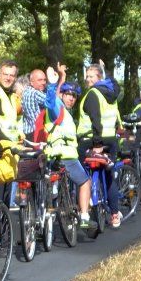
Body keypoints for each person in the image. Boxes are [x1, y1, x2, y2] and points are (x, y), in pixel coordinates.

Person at [44, 65, 93, 227]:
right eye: (68, 95)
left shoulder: (64, 109)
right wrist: (51, 85)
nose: (71, 98)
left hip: (54, 155)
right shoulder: (58, 107)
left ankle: (52, 213)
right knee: (85, 182)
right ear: (62, 95)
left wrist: (61, 77)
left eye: (74, 96)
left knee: (54, 190)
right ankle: (85, 216)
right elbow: (50, 101)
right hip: (66, 156)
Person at [77, 62, 123, 227]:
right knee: (109, 177)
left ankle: (83, 207)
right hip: (111, 140)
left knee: (81, 175)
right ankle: (114, 214)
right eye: (86, 76)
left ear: (99, 78)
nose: (87, 79)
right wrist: (106, 69)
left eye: (90, 76)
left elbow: (96, 121)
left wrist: (97, 143)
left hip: (92, 140)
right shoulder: (112, 92)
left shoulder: (93, 94)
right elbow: (116, 84)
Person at [21, 68, 48, 138]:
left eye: (44, 80)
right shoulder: (35, 93)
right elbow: (53, 102)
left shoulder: (26, 92)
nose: (43, 83)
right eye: (40, 80)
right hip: (36, 133)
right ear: (31, 82)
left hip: (28, 132)